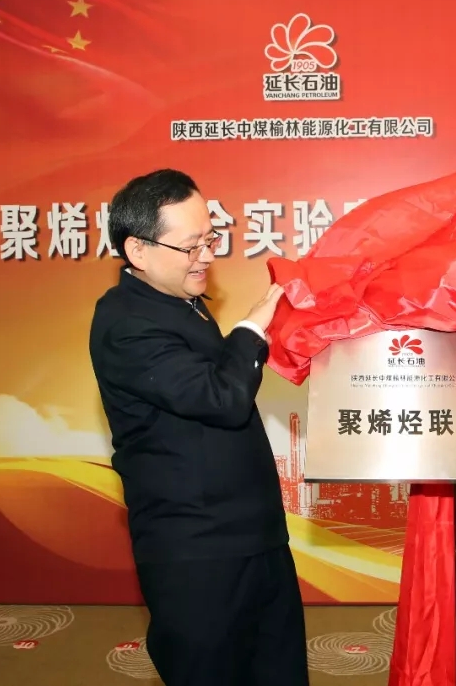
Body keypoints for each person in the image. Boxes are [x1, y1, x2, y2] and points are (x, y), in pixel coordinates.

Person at [88, 169, 310, 686]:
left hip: (252, 533)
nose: (207, 256)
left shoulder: (181, 302)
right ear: (138, 250)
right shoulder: (126, 324)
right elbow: (222, 398)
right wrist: (252, 328)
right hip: (195, 549)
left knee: (277, 669)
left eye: (210, 239)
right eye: (191, 246)